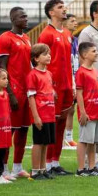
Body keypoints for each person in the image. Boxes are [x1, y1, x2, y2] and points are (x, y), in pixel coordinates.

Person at [38, 0, 74, 176]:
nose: (64, 9)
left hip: (67, 84)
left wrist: (72, 83)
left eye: (63, 6)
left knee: (61, 125)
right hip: (54, 86)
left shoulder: (67, 33)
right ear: (51, 12)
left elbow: (68, 60)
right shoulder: (46, 34)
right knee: (51, 124)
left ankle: (55, 162)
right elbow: (40, 61)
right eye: (60, 7)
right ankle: (46, 163)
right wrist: (48, 85)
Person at [0, 7, 33, 178]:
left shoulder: (26, 38)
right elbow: (2, 66)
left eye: (26, 16)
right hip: (15, 89)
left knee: (24, 129)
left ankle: (17, 167)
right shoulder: (5, 38)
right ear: (13, 19)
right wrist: (9, 92)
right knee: (9, 130)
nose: (26, 19)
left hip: (28, 90)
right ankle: (3, 168)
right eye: (22, 16)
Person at [76, 0, 98, 172]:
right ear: (94, 13)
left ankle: (95, 159)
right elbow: (81, 58)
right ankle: (84, 161)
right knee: (89, 123)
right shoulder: (86, 33)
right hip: (92, 86)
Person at [27, 44, 57, 180]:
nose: (49, 56)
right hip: (40, 115)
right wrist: (36, 116)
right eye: (45, 54)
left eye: (49, 53)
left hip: (50, 114)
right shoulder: (33, 75)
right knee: (38, 143)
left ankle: (43, 169)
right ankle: (35, 171)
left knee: (46, 142)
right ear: (36, 58)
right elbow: (31, 96)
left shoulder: (49, 73)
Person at [75, 42, 98, 177]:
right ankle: (81, 169)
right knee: (83, 140)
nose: (96, 53)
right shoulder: (81, 72)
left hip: (97, 111)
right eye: (93, 51)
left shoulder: (95, 71)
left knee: (93, 141)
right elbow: (79, 93)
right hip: (88, 112)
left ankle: (91, 167)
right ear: (85, 54)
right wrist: (83, 112)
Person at [64, 13, 80, 148]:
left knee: (71, 109)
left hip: (74, 77)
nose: (76, 23)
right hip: (65, 79)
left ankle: (68, 137)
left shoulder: (75, 40)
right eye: (72, 21)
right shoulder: (63, 39)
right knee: (63, 109)